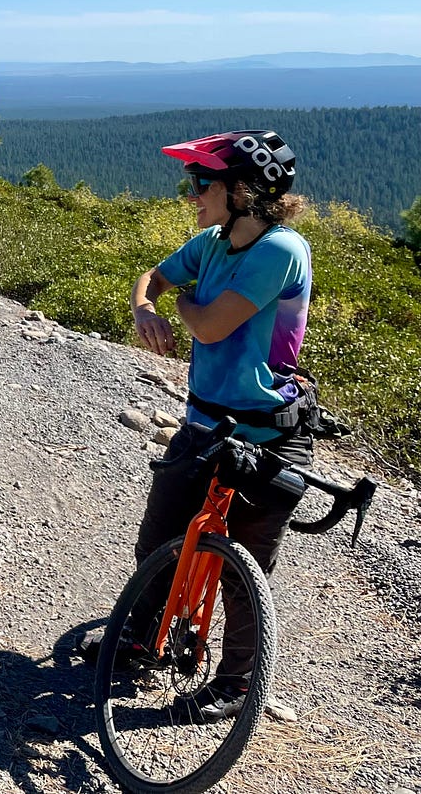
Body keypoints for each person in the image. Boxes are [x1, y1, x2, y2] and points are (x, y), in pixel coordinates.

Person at [125, 129, 312, 721]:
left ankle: (235, 684)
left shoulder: (282, 251)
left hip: (269, 436)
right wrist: (145, 307)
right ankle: (136, 641)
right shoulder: (209, 242)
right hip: (205, 424)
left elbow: (208, 327)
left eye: (202, 183)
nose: (192, 195)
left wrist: (179, 308)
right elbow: (153, 277)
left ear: (244, 189)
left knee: (246, 568)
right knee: (158, 539)